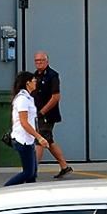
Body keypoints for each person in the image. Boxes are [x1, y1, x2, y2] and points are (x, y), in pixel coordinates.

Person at [31, 51, 76, 179]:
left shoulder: (52, 76)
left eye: (41, 60)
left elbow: (56, 97)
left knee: (39, 140)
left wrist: (43, 112)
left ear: (47, 61)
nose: (39, 63)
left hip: (48, 115)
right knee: (48, 141)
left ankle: (32, 171)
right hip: (37, 114)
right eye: (37, 61)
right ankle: (64, 167)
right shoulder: (34, 76)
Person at [6, 69, 44, 186]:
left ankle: (31, 192)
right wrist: (39, 137)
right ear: (28, 83)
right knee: (28, 172)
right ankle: (5, 189)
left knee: (32, 173)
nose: (35, 82)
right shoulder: (22, 99)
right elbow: (24, 122)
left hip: (28, 139)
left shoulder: (28, 98)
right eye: (34, 80)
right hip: (23, 140)